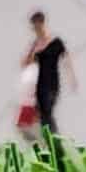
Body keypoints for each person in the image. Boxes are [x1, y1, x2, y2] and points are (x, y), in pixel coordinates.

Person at [23, 10, 76, 138]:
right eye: (34, 27)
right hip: (39, 85)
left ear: (42, 23)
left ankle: (55, 140)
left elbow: (67, 60)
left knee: (47, 112)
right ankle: (50, 140)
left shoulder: (55, 42)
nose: (36, 29)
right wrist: (33, 49)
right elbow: (25, 63)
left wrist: (72, 78)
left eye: (37, 25)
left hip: (52, 84)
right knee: (42, 114)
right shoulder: (36, 45)